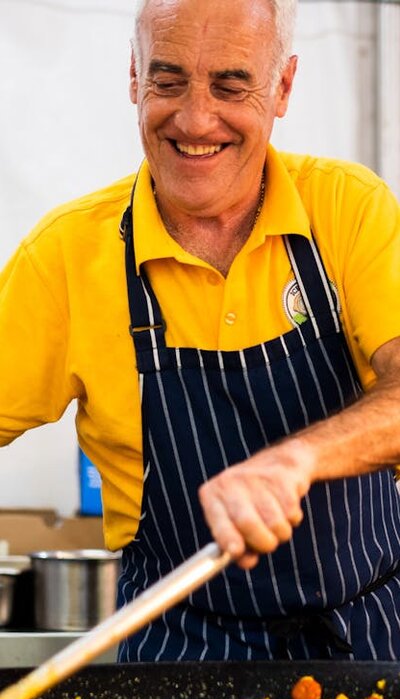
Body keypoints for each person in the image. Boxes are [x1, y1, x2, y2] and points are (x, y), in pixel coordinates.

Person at [1, 0, 400, 662]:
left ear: (283, 88)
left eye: (230, 85)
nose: (194, 119)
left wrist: (294, 459)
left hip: (369, 640)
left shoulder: (348, 210)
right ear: (134, 78)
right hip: (179, 647)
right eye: (168, 80)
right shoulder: (69, 256)